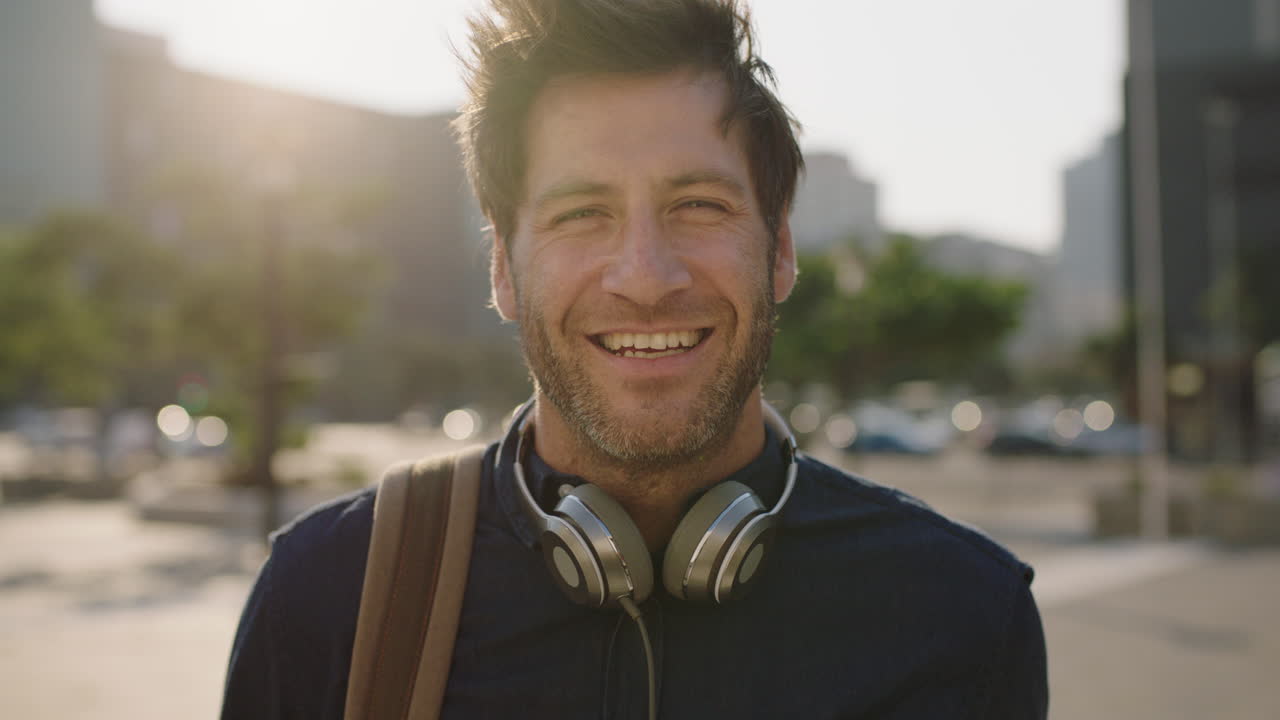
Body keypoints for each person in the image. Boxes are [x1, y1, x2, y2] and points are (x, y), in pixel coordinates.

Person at [220, 0, 1048, 717]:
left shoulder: (963, 615)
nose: (646, 278)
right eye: (582, 214)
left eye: (698, 204)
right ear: (504, 268)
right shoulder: (329, 598)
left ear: (782, 249)